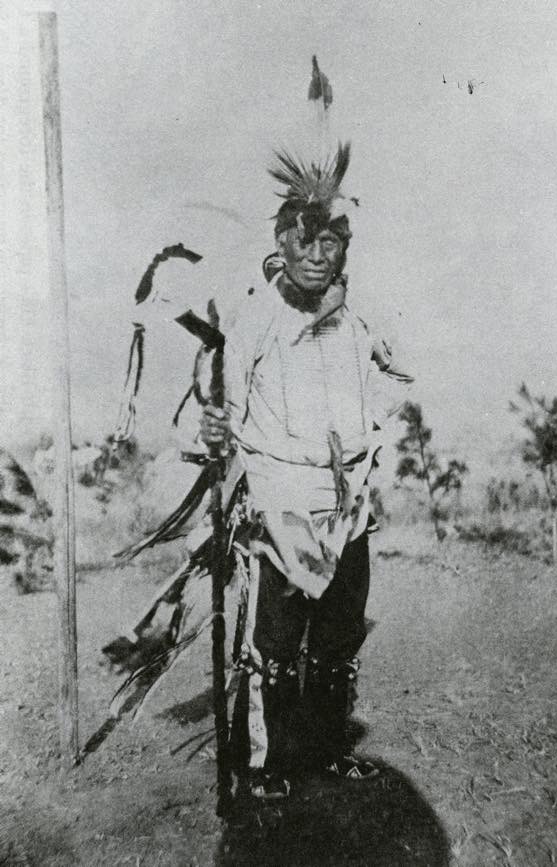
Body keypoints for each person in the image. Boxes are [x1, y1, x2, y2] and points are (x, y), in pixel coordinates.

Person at [199, 143, 412, 800]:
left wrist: (373, 429)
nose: (321, 255)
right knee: (278, 640)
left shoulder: (353, 321)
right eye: (307, 241)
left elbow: (390, 384)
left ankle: (325, 749)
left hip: (346, 501)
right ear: (282, 245)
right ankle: (269, 763)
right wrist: (212, 429)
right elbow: (224, 410)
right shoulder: (257, 316)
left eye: (332, 243)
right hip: (284, 497)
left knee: (340, 635)